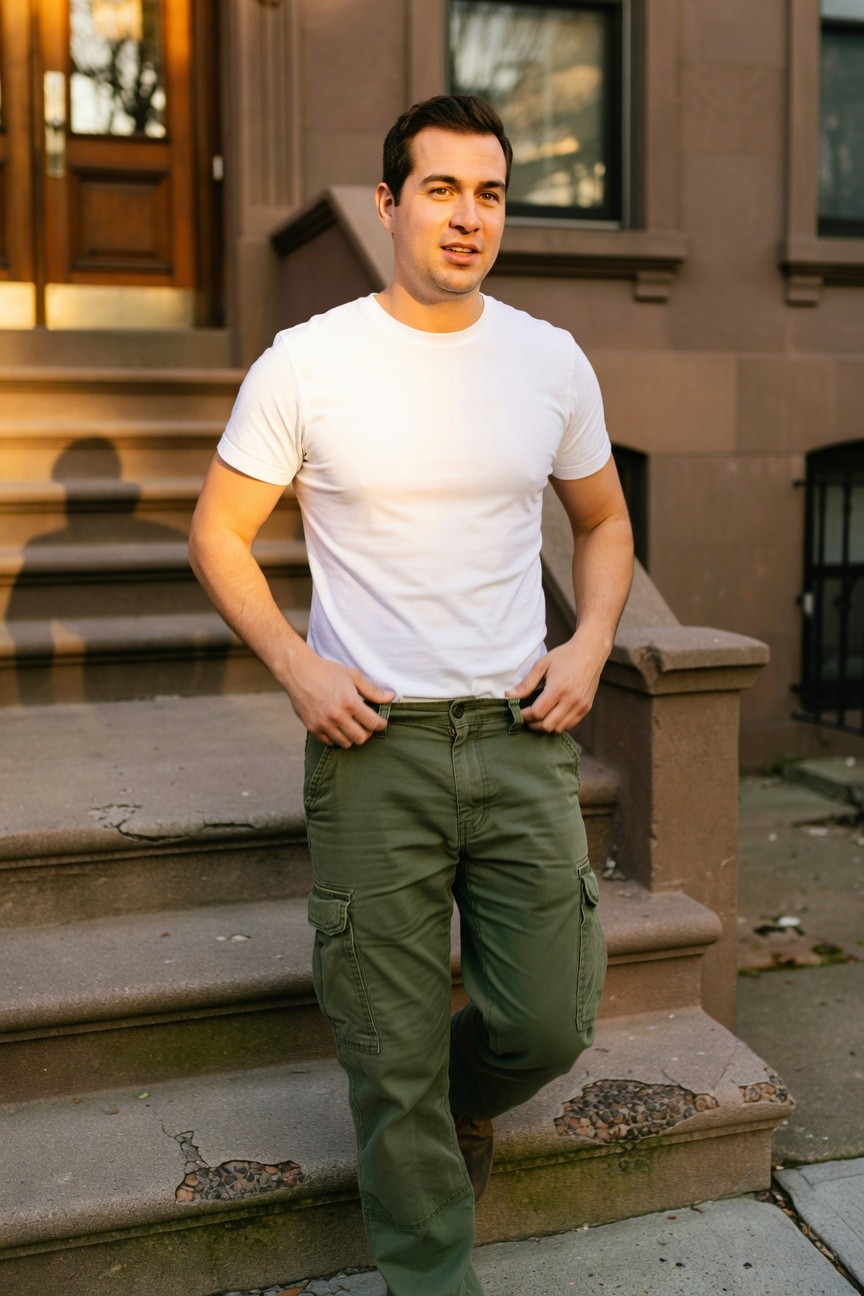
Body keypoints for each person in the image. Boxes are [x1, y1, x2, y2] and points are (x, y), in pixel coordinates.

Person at [189, 94, 633, 1296]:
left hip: (520, 733)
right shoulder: (312, 362)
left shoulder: (549, 359)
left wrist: (591, 641)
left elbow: (602, 522)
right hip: (371, 743)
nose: (468, 217)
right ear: (388, 204)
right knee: (385, 1057)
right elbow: (220, 533)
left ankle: (448, 1102)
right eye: (442, 190)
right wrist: (298, 666)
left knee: (548, 1023)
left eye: (489, 193)